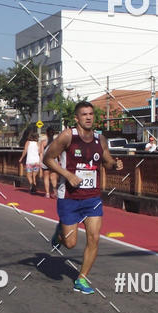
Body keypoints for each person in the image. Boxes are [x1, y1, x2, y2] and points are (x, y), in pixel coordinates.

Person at [44, 101, 123, 295]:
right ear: (76, 118)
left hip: (92, 197)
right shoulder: (68, 136)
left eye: (91, 114)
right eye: (84, 114)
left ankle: (81, 279)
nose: (88, 117)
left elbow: (106, 160)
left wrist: (114, 164)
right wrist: (68, 174)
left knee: (94, 238)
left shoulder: (100, 139)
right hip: (69, 196)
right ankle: (60, 232)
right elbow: (47, 158)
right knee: (70, 244)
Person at [39, 126, 58, 198]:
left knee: (46, 177)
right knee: (53, 177)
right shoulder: (56, 142)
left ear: (46, 133)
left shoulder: (43, 142)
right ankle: (55, 191)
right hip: (53, 160)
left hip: (45, 161)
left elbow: (41, 153)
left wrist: (40, 162)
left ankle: (47, 193)